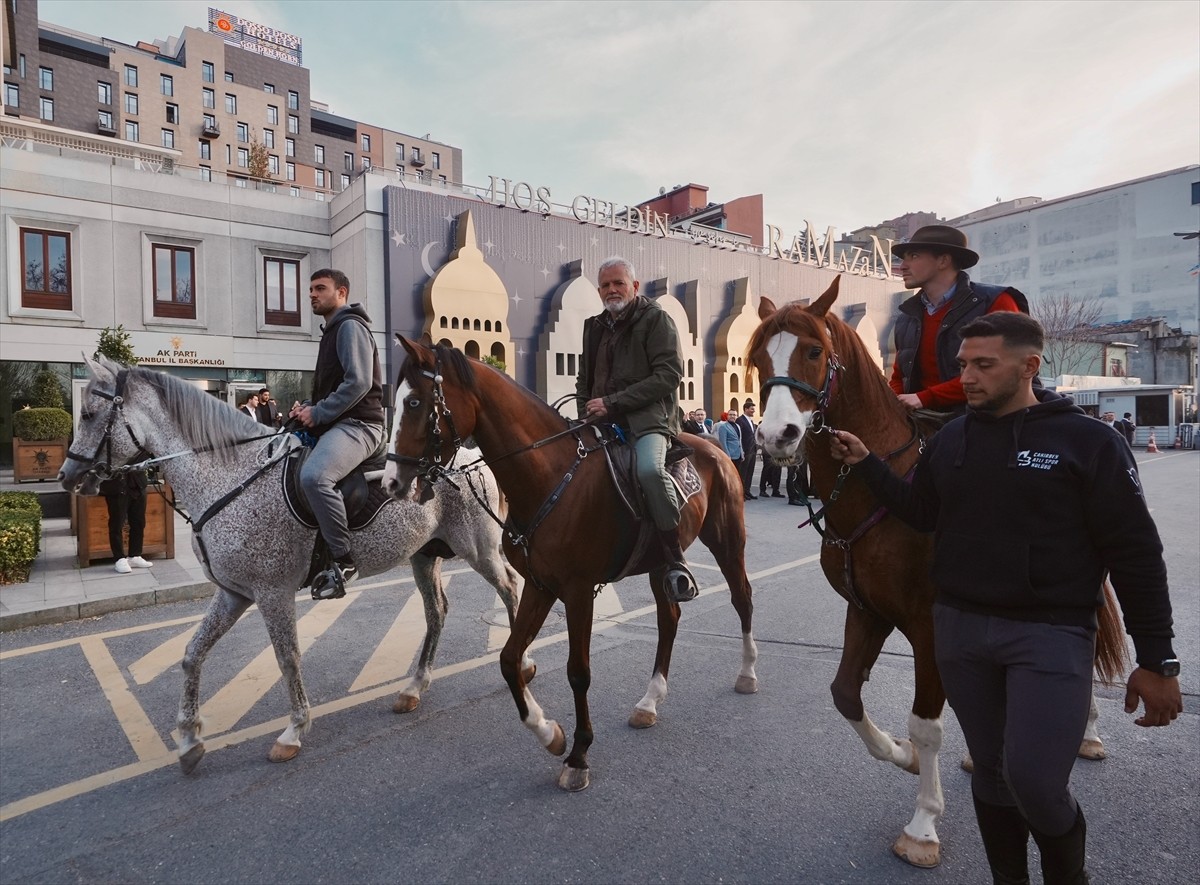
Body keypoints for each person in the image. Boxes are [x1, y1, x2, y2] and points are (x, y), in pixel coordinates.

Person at [829, 312, 1181, 885]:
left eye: (983, 365)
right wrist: (868, 462)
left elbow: (1137, 554)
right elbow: (921, 513)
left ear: (1028, 367)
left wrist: (1157, 659)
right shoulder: (952, 440)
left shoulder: (1088, 442)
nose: (966, 376)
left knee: (1037, 784)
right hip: (963, 633)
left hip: (1050, 635)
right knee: (991, 778)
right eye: (964, 364)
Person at [577, 256, 698, 603]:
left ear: (635, 286)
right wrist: (585, 411)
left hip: (650, 420)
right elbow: (584, 379)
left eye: (618, 283)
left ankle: (674, 557)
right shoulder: (594, 326)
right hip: (601, 420)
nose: (612, 290)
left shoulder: (656, 319)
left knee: (648, 470)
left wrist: (612, 402)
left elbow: (668, 376)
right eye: (605, 285)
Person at [289, 269, 386, 599]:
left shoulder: (349, 326)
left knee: (314, 477)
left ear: (341, 293)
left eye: (320, 288)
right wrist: (306, 407)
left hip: (361, 426)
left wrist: (318, 413)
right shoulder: (331, 331)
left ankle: (344, 562)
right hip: (338, 423)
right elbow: (332, 387)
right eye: (311, 289)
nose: (312, 294)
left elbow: (358, 383)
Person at [889, 225, 1029, 413]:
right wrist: (895, 404)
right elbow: (899, 377)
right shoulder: (907, 317)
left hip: (990, 419)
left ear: (943, 261)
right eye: (903, 259)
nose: (902, 266)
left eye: (913, 256)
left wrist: (925, 398)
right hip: (925, 419)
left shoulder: (995, 301)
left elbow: (1008, 371)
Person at [100, 468, 153, 574]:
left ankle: (135, 555)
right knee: (117, 523)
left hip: (138, 484)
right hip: (117, 485)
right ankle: (119, 558)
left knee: (139, 522)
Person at [736, 398, 759, 499]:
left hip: (752, 450)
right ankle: (741, 493)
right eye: (751, 409)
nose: (753, 411)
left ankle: (747, 491)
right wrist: (742, 451)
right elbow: (739, 436)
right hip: (745, 450)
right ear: (745, 409)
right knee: (743, 473)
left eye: (754, 409)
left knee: (750, 472)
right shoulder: (740, 420)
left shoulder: (751, 421)